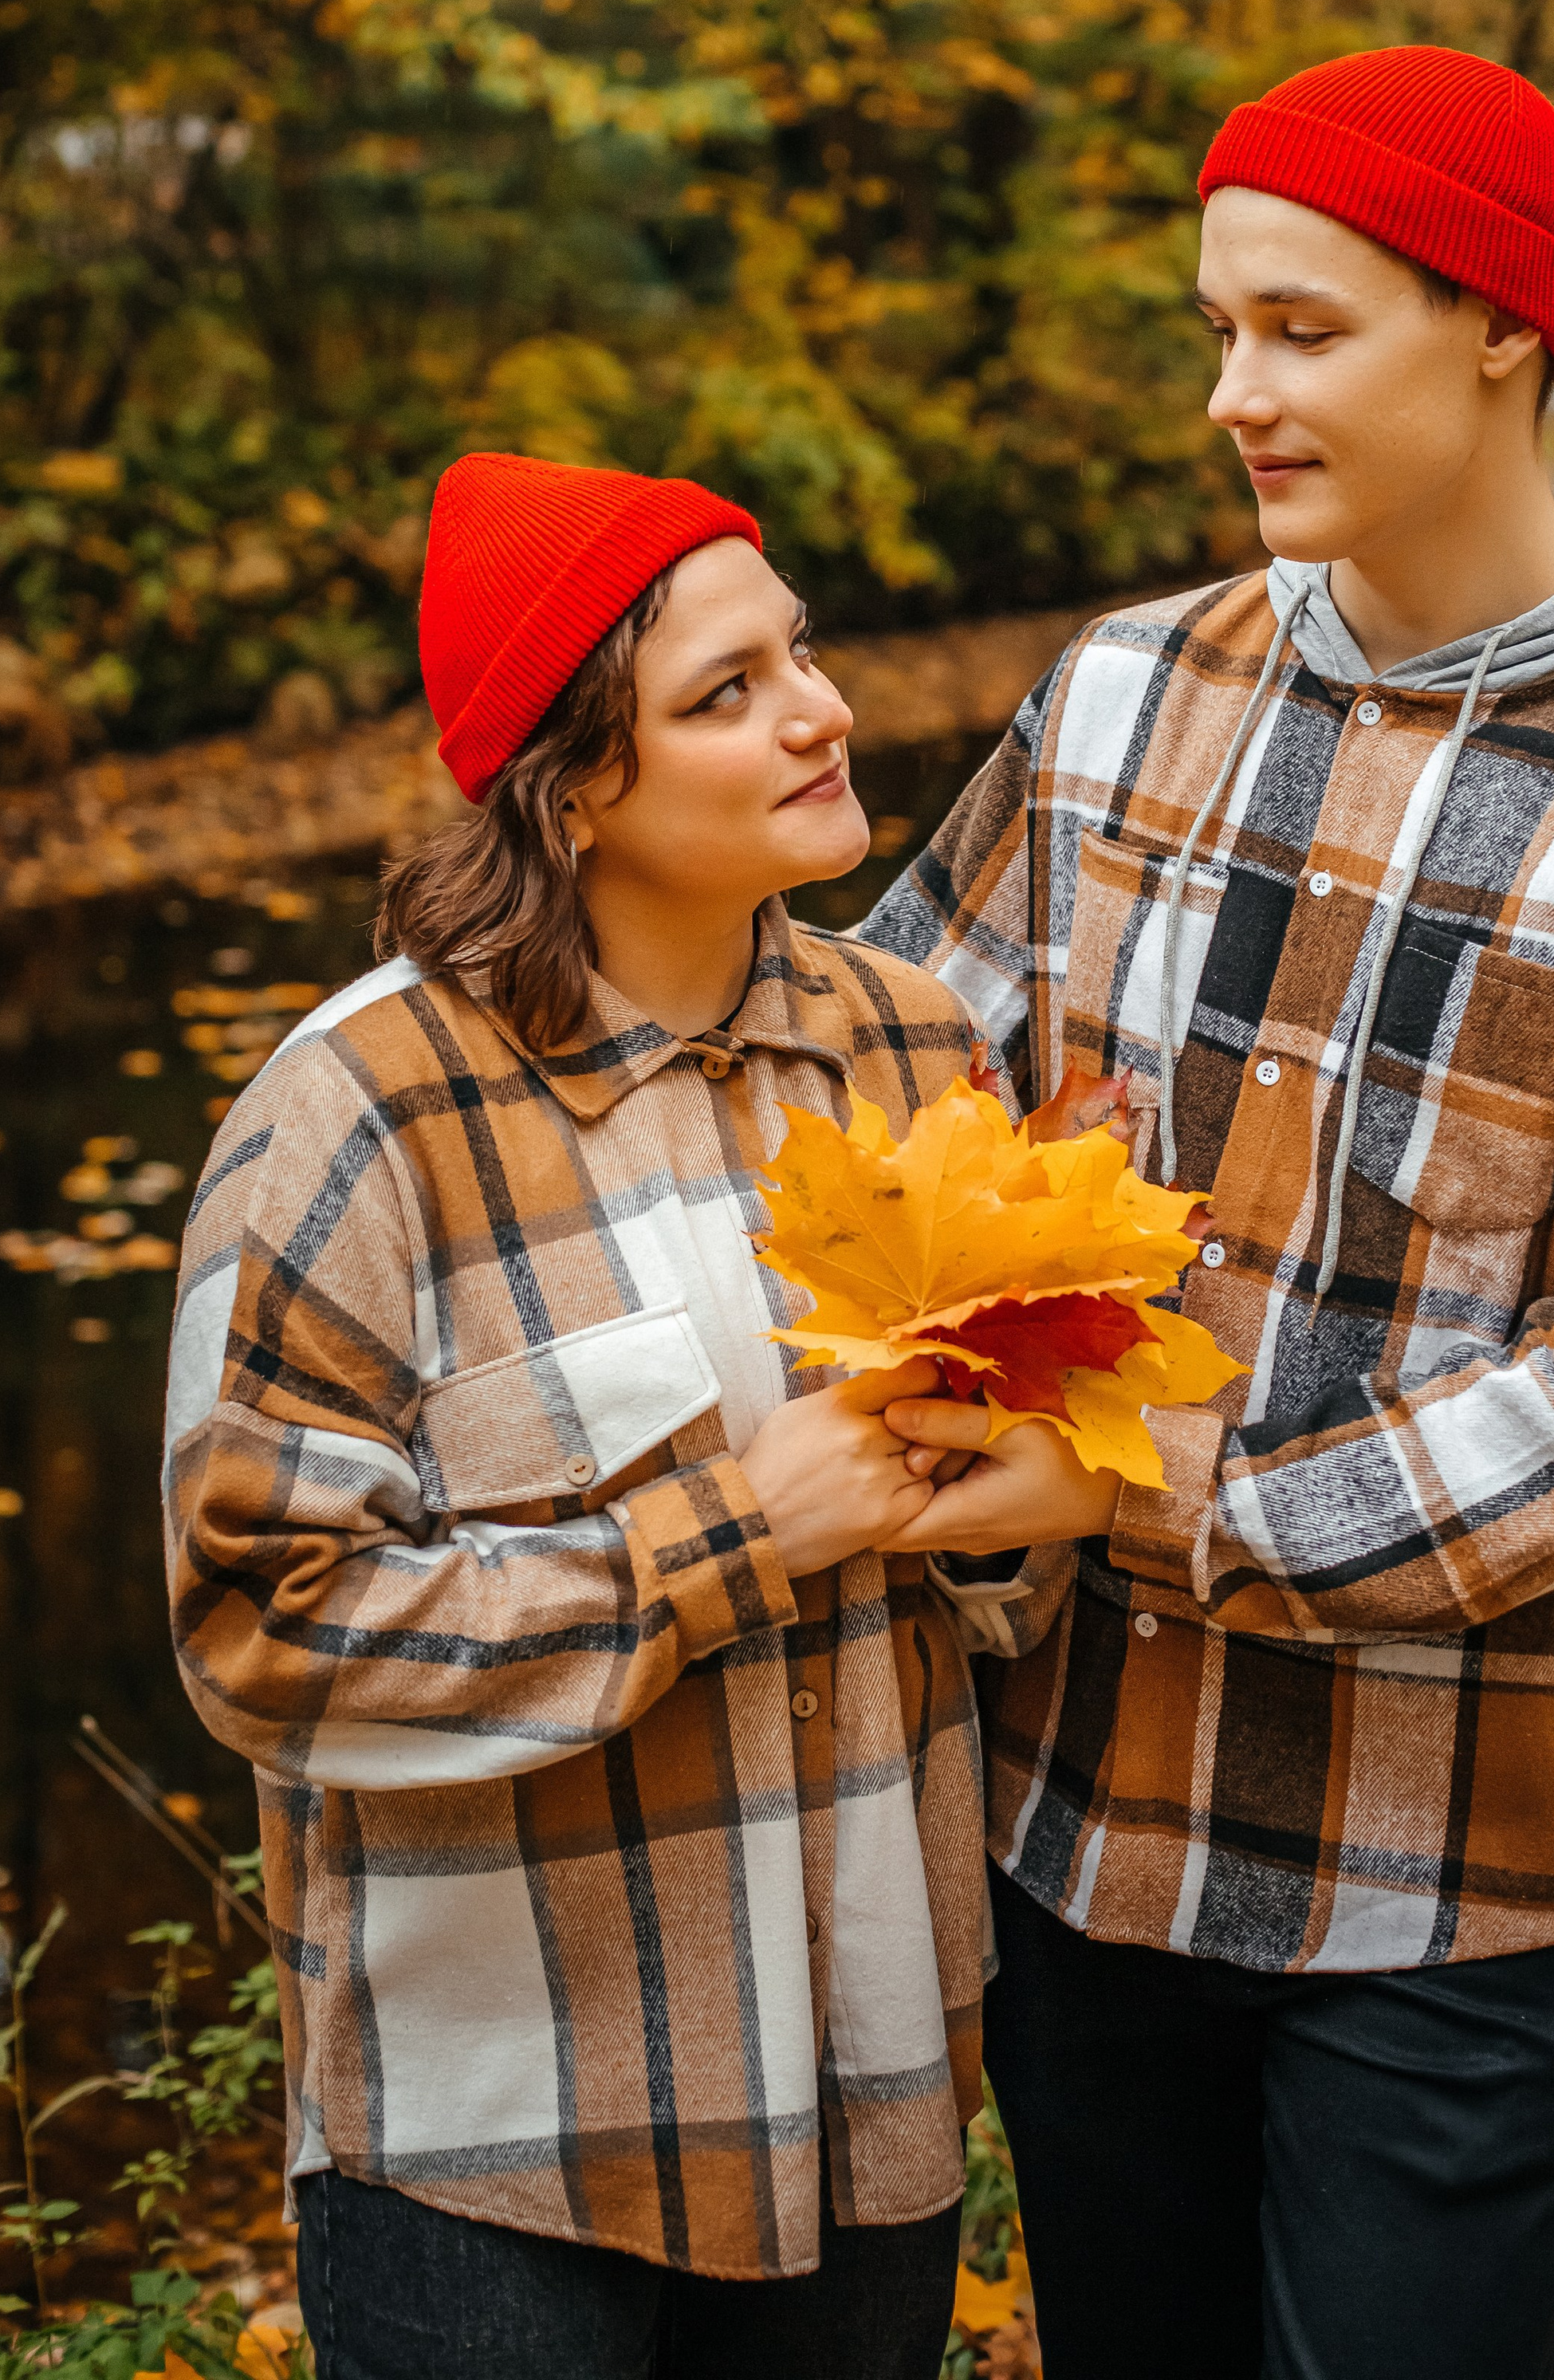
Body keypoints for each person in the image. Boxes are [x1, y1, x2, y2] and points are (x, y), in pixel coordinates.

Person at [866, 45, 1554, 2380]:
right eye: (1219, 331)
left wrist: (1162, 1493)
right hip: (1075, 1821)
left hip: (1457, 1875)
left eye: (1303, 333)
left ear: (1503, 323)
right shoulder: (1119, 693)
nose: (1237, 393)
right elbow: (884, 1092)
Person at [161, 454, 1053, 2380]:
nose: (816, 708)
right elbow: (266, 1636)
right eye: (722, 692)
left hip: (873, 2084)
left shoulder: (908, 1048)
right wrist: (733, 1537)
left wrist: (1019, 1516)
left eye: (795, 648)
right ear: (575, 789)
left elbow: (996, 1553)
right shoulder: (358, 1119)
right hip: (508, 2150)